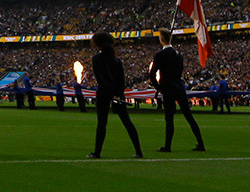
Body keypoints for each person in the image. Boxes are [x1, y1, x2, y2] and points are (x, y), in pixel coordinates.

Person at [87, 31, 143, 159]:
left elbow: (101, 79)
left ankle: (97, 152)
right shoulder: (116, 60)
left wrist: (110, 94)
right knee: (127, 122)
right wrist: (118, 94)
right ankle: (139, 151)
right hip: (117, 94)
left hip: (103, 94)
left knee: (102, 123)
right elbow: (121, 80)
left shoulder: (96, 59)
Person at [148, 28, 205, 153]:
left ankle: (167, 146)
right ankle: (201, 143)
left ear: (161, 39)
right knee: (188, 116)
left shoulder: (160, 55)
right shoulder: (179, 55)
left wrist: (158, 87)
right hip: (179, 86)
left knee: (169, 118)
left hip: (168, 87)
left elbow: (152, 74)